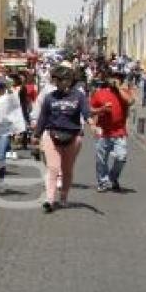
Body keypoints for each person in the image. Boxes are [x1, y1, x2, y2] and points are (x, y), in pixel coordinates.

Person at [32, 65, 90, 213]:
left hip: (73, 136)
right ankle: (49, 200)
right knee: (53, 168)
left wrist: (94, 124)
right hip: (52, 134)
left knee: (67, 169)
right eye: (56, 80)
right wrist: (36, 135)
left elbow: (86, 112)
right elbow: (43, 117)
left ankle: (63, 196)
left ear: (69, 80)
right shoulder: (50, 97)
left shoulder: (79, 96)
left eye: (61, 80)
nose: (58, 83)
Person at [90, 69, 135, 192]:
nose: (115, 79)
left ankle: (113, 177)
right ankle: (103, 182)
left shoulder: (124, 92)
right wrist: (94, 123)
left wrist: (119, 89)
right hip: (103, 131)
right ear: (108, 79)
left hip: (119, 132)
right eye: (113, 77)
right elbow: (90, 109)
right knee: (101, 160)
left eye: (119, 78)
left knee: (121, 157)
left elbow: (131, 101)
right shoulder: (100, 93)